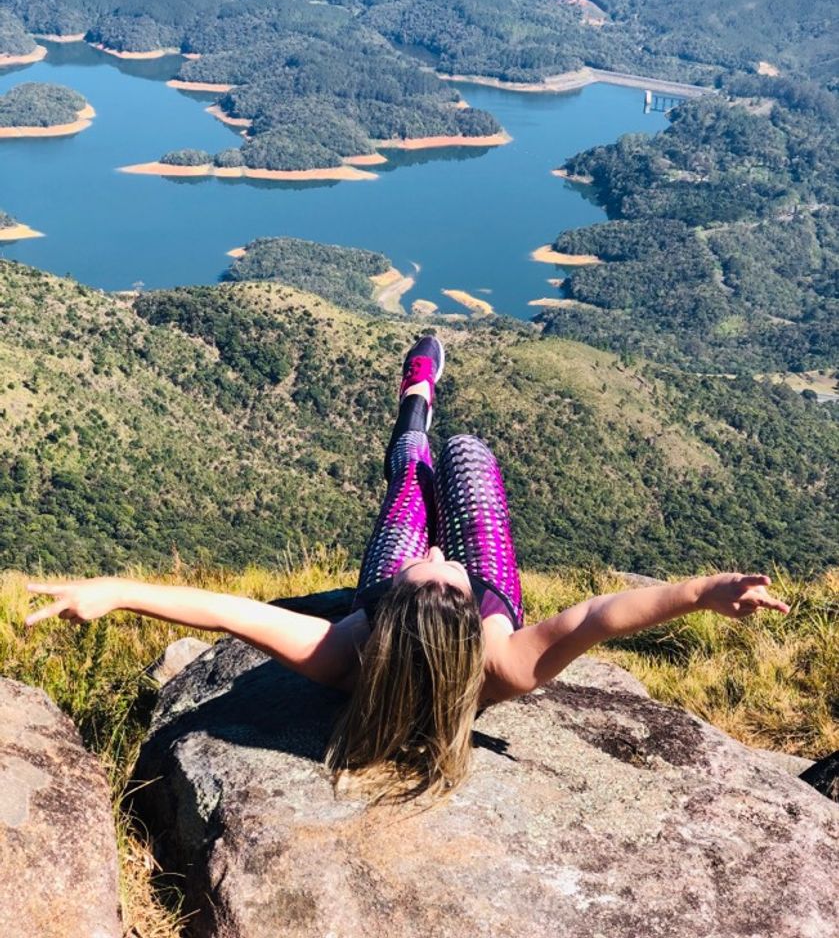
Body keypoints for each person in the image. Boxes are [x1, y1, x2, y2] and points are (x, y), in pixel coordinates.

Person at [25, 336, 790, 804]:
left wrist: (116, 591)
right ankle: (425, 427)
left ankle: (415, 406)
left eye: (430, 572)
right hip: (483, 595)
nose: (435, 557)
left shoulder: (341, 651)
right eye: (441, 574)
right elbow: (601, 614)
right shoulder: (507, 658)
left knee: (409, 487)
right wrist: (704, 592)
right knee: (468, 459)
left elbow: (226, 611)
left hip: (390, 601)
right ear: (468, 618)